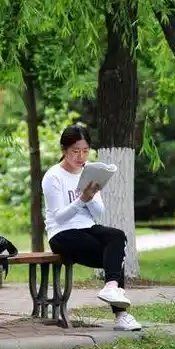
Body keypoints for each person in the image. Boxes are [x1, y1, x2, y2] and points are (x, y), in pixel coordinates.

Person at [42, 124, 141, 331]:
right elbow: (59, 217)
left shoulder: (91, 171)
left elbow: (97, 213)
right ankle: (121, 315)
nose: (81, 156)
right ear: (64, 150)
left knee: (117, 237)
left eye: (85, 151)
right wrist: (81, 199)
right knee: (116, 255)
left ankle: (111, 288)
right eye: (75, 151)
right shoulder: (53, 177)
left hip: (87, 227)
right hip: (62, 234)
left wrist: (92, 197)